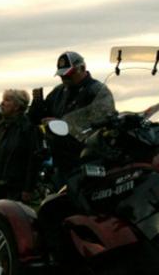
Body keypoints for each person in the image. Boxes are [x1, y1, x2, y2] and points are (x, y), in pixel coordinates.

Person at [28, 51, 115, 179]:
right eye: (62, 75)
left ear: (82, 68)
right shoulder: (59, 91)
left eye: (69, 74)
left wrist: (62, 124)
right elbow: (35, 119)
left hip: (87, 159)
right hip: (60, 160)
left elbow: (102, 123)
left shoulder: (98, 91)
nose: (64, 78)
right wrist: (37, 103)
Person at [0, 89, 39, 203]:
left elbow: (33, 160)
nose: (2, 103)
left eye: (7, 100)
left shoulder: (28, 128)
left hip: (17, 187)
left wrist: (28, 188)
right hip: (0, 185)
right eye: (3, 99)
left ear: (17, 106)